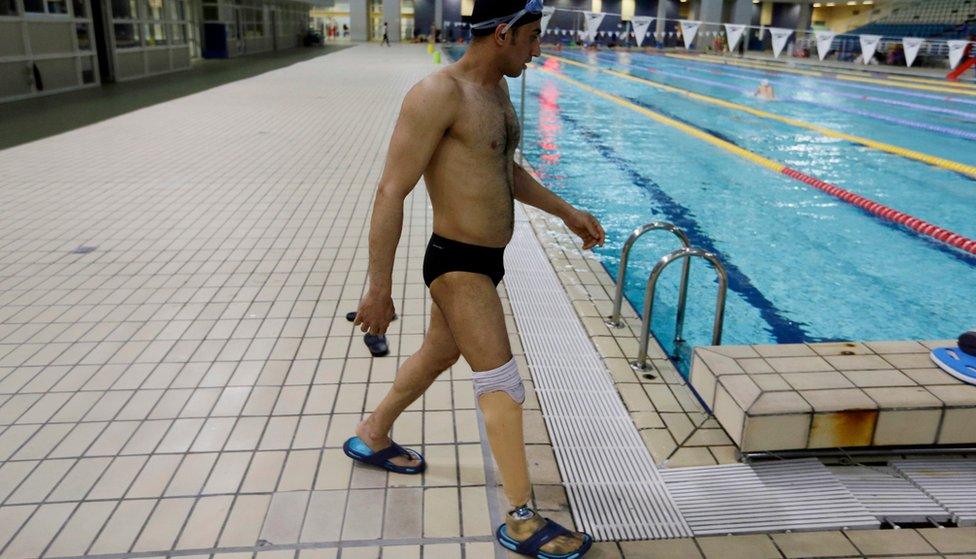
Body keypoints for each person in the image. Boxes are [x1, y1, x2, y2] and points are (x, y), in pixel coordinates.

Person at [344, 0, 602, 557]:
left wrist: (564, 210)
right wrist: (379, 288)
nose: (539, 50)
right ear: (503, 34)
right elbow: (392, 189)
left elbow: (500, 169)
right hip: (456, 264)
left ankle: (372, 433)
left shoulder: (498, 92)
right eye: (533, 38)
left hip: (487, 261)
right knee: (502, 380)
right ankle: (522, 519)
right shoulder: (439, 94)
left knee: (439, 353)